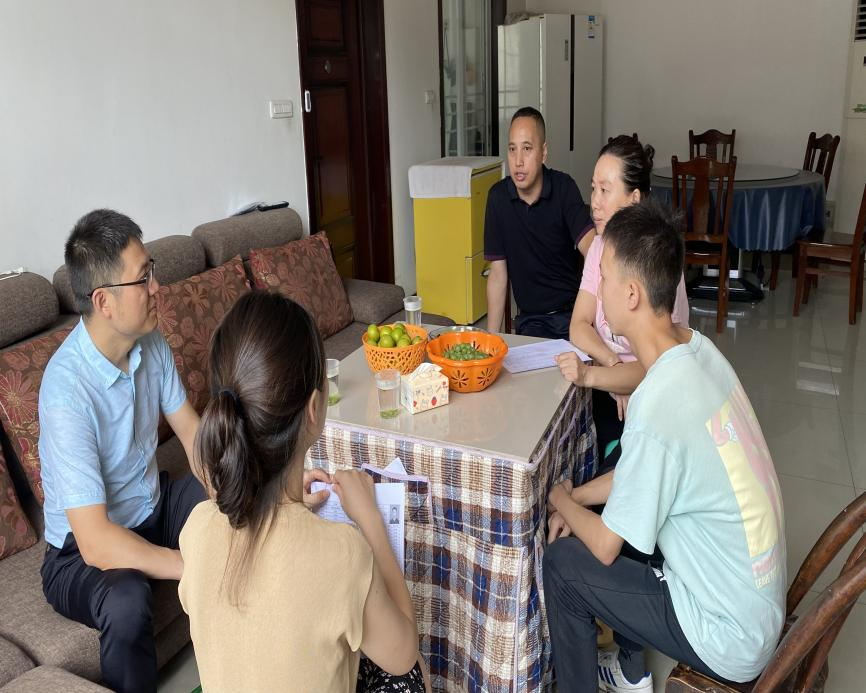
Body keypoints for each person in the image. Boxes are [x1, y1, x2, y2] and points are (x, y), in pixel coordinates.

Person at [543, 199, 786, 693]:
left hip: (727, 634)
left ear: (631, 294)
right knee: (625, 518)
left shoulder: (657, 405)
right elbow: (646, 472)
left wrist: (560, 499)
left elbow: (606, 546)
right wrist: (581, 495)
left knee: (563, 567)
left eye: (603, 277)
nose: (598, 290)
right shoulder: (698, 349)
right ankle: (625, 665)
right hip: (757, 605)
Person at [178, 291, 426, 693]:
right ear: (314, 409)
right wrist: (371, 522)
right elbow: (403, 654)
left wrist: (290, 503)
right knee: (411, 674)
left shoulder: (196, 528)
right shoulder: (343, 552)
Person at [39, 209, 206, 693]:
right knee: (126, 599)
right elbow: (95, 540)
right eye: (143, 278)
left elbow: (192, 434)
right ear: (103, 302)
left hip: (152, 507)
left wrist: (242, 493)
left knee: (230, 506)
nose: (157, 287)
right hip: (79, 552)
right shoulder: (66, 392)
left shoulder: (149, 341)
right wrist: (192, 564)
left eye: (152, 270)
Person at [556, 135, 690, 469]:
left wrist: (608, 377)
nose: (594, 203)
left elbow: (658, 366)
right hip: (609, 379)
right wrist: (613, 366)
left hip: (651, 389)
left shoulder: (656, 260)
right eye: (593, 189)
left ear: (634, 198)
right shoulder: (600, 246)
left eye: (605, 190)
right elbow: (579, 325)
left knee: (625, 464)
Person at [485, 106, 595, 339]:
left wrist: (591, 315)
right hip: (532, 321)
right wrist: (490, 340)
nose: (518, 161)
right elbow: (498, 275)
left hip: (573, 316)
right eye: (512, 149)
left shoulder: (564, 188)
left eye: (527, 149)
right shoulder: (498, 198)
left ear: (543, 153)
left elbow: (592, 250)